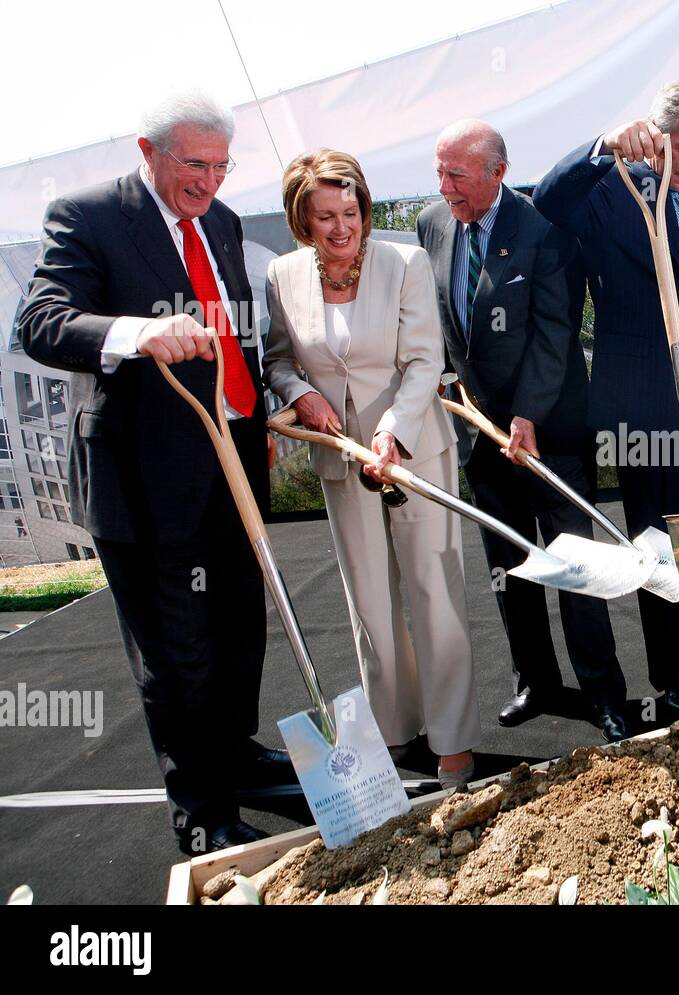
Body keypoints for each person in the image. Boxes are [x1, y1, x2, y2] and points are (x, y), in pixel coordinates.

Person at [17, 90, 293, 855]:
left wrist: (265, 405)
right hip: (144, 475)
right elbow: (40, 323)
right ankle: (202, 806)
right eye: (194, 165)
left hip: (232, 458)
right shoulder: (89, 217)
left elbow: (236, 338)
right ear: (149, 152)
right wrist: (140, 332)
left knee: (239, 622)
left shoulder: (226, 224)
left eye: (221, 165)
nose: (209, 182)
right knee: (176, 648)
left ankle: (235, 753)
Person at [534, 81, 679, 720]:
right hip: (643, 403)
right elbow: (548, 200)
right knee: (661, 537)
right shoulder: (608, 194)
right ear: (656, 134)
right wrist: (602, 146)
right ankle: (675, 674)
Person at [262, 149, 480, 787]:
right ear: (303, 220)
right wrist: (296, 393)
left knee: (435, 594)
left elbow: (422, 362)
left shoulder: (403, 262)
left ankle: (454, 740)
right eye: (324, 216)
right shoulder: (282, 275)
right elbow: (278, 359)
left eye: (350, 211)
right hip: (340, 460)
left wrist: (391, 434)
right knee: (370, 602)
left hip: (413, 451)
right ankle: (394, 728)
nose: (341, 227)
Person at [416, 120, 630, 742]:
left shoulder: (544, 232)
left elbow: (554, 334)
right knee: (508, 565)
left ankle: (603, 690)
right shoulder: (433, 223)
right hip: (481, 431)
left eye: (457, 174)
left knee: (575, 564)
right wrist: (446, 375)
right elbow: (442, 315)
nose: (444, 186)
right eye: (440, 171)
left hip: (549, 428)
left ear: (497, 173)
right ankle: (536, 680)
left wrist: (527, 415)